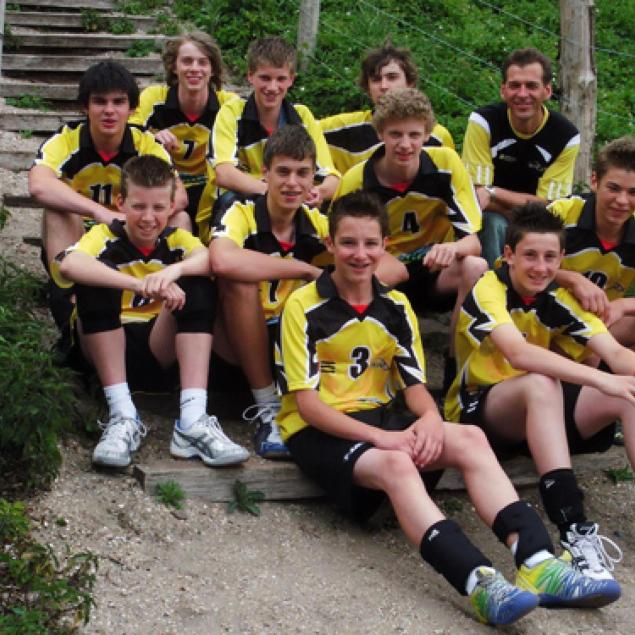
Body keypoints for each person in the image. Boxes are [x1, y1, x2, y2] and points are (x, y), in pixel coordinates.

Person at [275, 191, 619, 626]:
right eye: (348, 243)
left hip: (379, 418)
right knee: (397, 463)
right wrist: (384, 438)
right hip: (319, 429)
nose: (360, 254)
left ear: (385, 246)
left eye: (370, 243)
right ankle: (480, 582)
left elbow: (415, 387)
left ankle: (538, 563)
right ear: (329, 243)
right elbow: (307, 405)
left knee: (469, 437)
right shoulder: (303, 305)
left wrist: (431, 419)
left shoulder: (396, 305)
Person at [444, 202, 635, 582]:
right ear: (509, 254)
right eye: (530, 255)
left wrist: (616, 378)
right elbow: (518, 353)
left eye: (550, 257)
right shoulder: (489, 288)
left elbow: (615, 354)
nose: (540, 267)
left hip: (539, 413)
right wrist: (599, 378)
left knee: (627, 393)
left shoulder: (559, 300)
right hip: (480, 410)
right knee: (541, 381)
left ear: (562, 258)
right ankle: (574, 531)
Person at [209, 125, 406, 459]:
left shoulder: (316, 222)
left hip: (294, 340)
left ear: (314, 177)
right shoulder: (241, 211)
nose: (292, 183)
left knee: (362, 278)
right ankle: (268, 408)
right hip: (236, 340)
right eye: (283, 172)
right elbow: (222, 260)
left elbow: (394, 269)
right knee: (238, 282)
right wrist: (304, 270)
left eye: (302, 173)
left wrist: (336, 277)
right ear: (264, 173)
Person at [54, 155, 248, 469]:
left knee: (197, 284)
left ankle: (192, 419)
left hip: (158, 346)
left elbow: (211, 260)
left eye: (158, 208)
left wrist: (174, 272)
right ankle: (122, 415)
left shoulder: (176, 240)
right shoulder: (104, 236)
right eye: (138, 206)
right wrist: (139, 285)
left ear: (171, 207)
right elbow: (70, 264)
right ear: (121, 203)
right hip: (105, 344)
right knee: (95, 278)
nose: (148, 218)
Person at [332, 87, 487, 391]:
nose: (405, 144)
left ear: (428, 134)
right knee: (365, 272)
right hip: (384, 269)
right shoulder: (357, 180)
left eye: (414, 135)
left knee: (476, 266)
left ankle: (456, 369)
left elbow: (474, 242)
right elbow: (341, 248)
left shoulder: (446, 164)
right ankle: (369, 372)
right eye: (395, 134)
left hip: (433, 268)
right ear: (380, 133)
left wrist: (452, 247)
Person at [29, 60, 189, 337]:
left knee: (180, 218)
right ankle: (69, 318)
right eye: (100, 102)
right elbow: (38, 186)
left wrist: (129, 219)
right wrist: (99, 212)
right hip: (81, 237)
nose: (109, 111)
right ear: (85, 106)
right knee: (57, 212)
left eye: (118, 102)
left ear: (132, 108)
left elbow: (180, 197)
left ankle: (173, 307)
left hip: (132, 233)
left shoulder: (145, 143)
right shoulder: (66, 139)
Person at [461, 47, 580, 266]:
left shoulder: (566, 136)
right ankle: (490, 281)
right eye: (515, 85)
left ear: (547, 91)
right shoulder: (483, 122)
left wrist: (494, 192)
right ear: (503, 90)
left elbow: (551, 207)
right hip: (492, 216)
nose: (523, 94)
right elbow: (476, 196)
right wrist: (511, 207)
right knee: (492, 223)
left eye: (531, 86)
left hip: (538, 224)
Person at [209, 36, 340, 214]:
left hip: (287, 201)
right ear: (250, 76)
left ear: (291, 79)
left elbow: (332, 178)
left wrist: (319, 192)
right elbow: (224, 173)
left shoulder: (302, 116)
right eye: (265, 78)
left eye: (281, 79)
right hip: (239, 203)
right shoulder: (232, 112)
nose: (272, 87)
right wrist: (276, 193)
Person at [130, 32, 239, 241]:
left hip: (210, 189)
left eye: (202, 62)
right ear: (174, 66)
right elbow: (129, 130)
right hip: (167, 187)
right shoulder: (154, 97)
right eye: (187, 61)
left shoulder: (228, 104)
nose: (194, 68)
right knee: (178, 218)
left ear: (213, 69)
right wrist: (151, 135)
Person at [549, 136, 635, 350]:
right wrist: (571, 279)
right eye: (613, 188)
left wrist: (623, 305)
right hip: (544, 320)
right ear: (595, 181)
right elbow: (509, 266)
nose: (622, 201)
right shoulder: (560, 214)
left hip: (600, 322)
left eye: (633, 192)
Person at [320, 41, 454, 176]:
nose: (384, 86)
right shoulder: (345, 128)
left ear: (410, 82)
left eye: (392, 77)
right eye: (376, 79)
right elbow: (307, 130)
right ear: (368, 87)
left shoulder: (438, 137)